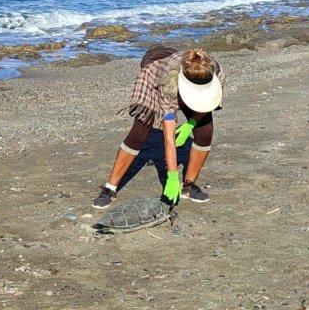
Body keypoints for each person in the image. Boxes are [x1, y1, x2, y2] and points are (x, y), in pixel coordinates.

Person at [92, 45, 225, 209]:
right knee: (140, 131)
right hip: (156, 74)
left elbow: (207, 105)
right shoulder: (166, 82)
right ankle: (110, 188)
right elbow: (168, 138)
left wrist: (191, 124)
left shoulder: (216, 73)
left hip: (179, 65)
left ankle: (189, 185)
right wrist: (172, 176)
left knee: (205, 130)